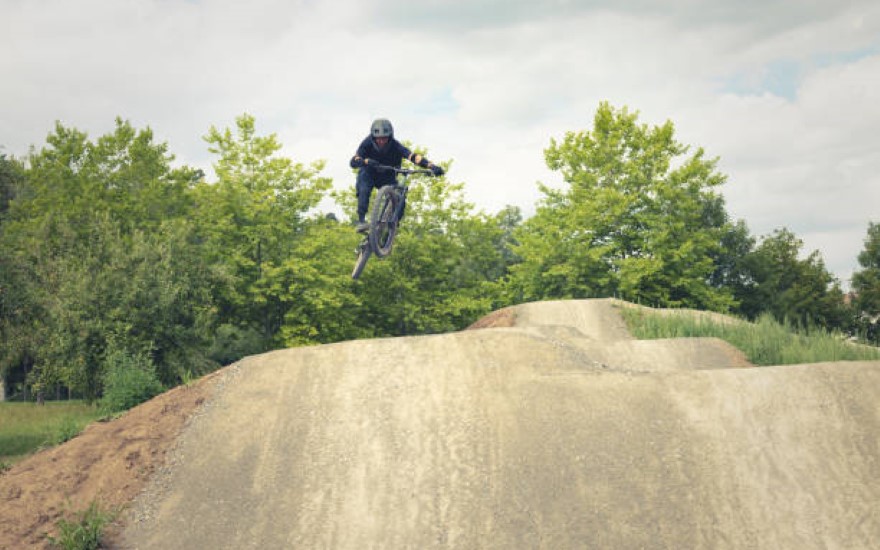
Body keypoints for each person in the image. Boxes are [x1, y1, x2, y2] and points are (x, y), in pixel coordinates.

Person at [350, 118, 444, 233]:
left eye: (384, 138)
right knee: (364, 189)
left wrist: (431, 166)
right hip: (369, 173)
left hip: (387, 176)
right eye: (378, 139)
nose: (381, 142)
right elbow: (354, 161)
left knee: (400, 196)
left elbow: (413, 157)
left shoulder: (395, 145)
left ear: (389, 137)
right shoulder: (367, 143)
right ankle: (361, 220)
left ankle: (393, 226)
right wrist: (365, 162)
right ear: (373, 138)